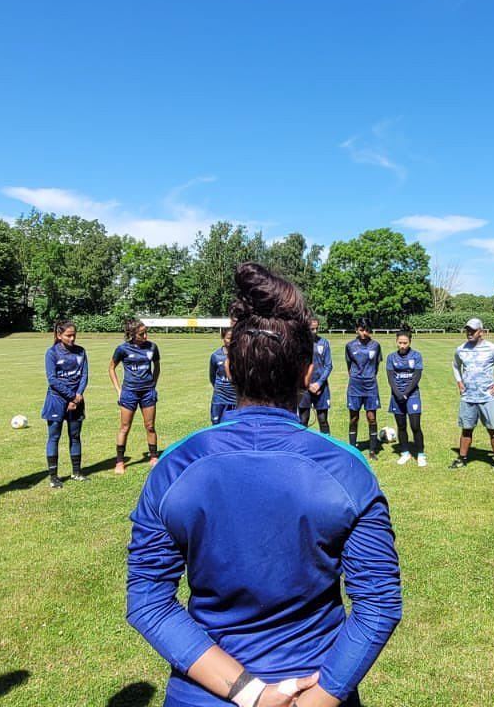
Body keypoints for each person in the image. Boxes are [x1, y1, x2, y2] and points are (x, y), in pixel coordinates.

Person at [127, 263, 402, 707]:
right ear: (307, 373)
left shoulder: (176, 466)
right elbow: (378, 604)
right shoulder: (347, 468)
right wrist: (319, 698)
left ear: (229, 369)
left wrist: (251, 693)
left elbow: (148, 600)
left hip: (206, 694)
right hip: (317, 688)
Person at [450, 318, 494, 472]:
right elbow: (455, 365)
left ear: (482, 332)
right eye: (468, 330)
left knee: (493, 430)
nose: (469, 333)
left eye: (473, 330)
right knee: (466, 430)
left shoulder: (493, 349)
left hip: (486, 398)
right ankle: (462, 459)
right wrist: (459, 381)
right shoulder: (461, 349)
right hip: (468, 397)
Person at [111, 318, 162, 474]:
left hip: (147, 393)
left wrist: (152, 384)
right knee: (125, 427)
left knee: (150, 426)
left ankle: (153, 456)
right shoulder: (122, 349)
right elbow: (111, 368)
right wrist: (119, 390)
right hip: (129, 393)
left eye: (146, 332)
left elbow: (157, 366)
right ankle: (119, 462)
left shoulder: (152, 347)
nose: (145, 336)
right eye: (142, 334)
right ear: (132, 334)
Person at [44, 319, 88, 489]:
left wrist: (78, 396)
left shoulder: (81, 352)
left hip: (77, 400)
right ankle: (53, 477)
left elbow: (84, 376)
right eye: (68, 335)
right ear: (59, 335)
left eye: (74, 335)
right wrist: (71, 397)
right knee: (54, 437)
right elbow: (52, 380)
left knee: (75, 436)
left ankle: (76, 472)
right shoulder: (52, 353)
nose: (72, 339)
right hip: (57, 400)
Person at [386, 327, 426, 466]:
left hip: (412, 394)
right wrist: (398, 394)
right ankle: (405, 453)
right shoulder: (391, 357)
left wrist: (406, 393)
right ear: (396, 342)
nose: (402, 346)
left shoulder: (416, 356)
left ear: (410, 342)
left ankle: (420, 454)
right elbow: (390, 377)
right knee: (401, 426)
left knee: (415, 425)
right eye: (400, 343)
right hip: (397, 395)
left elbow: (417, 375)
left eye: (405, 343)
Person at [344, 320, 384, 459]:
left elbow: (376, 366)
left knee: (371, 417)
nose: (364, 333)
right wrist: (357, 377)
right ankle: (352, 448)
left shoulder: (376, 346)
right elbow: (349, 366)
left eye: (366, 330)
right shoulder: (349, 346)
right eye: (361, 330)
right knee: (354, 418)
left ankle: (372, 451)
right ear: (356, 330)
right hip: (355, 385)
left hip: (370, 385)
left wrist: (369, 376)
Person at [299, 315, 333, 435]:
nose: (315, 331)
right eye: (312, 329)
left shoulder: (324, 343)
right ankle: (302, 448)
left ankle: (327, 446)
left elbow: (329, 365)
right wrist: (308, 385)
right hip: (304, 388)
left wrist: (319, 384)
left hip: (321, 388)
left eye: (316, 329)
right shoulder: (299, 344)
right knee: (303, 420)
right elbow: (297, 366)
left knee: (323, 419)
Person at [209, 328, 238, 425]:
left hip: (235, 398)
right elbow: (212, 377)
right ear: (223, 338)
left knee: (234, 425)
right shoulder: (216, 356)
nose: (231, 341)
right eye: (229, 338)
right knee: (216, 423)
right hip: (219, 397)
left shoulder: (240, 355)